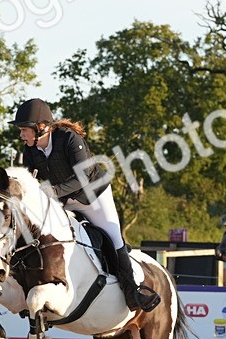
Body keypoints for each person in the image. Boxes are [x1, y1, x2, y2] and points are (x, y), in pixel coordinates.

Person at [10, 98, 159, 312]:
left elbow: (84, 178)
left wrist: (51, 192)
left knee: (113, 237)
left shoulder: (69, 139)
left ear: (41, 127)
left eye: (24, 130)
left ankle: (133, 291)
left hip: (93, 197)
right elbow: (30, 180)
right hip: (63, 200)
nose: (21, 135)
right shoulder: (30, 150)